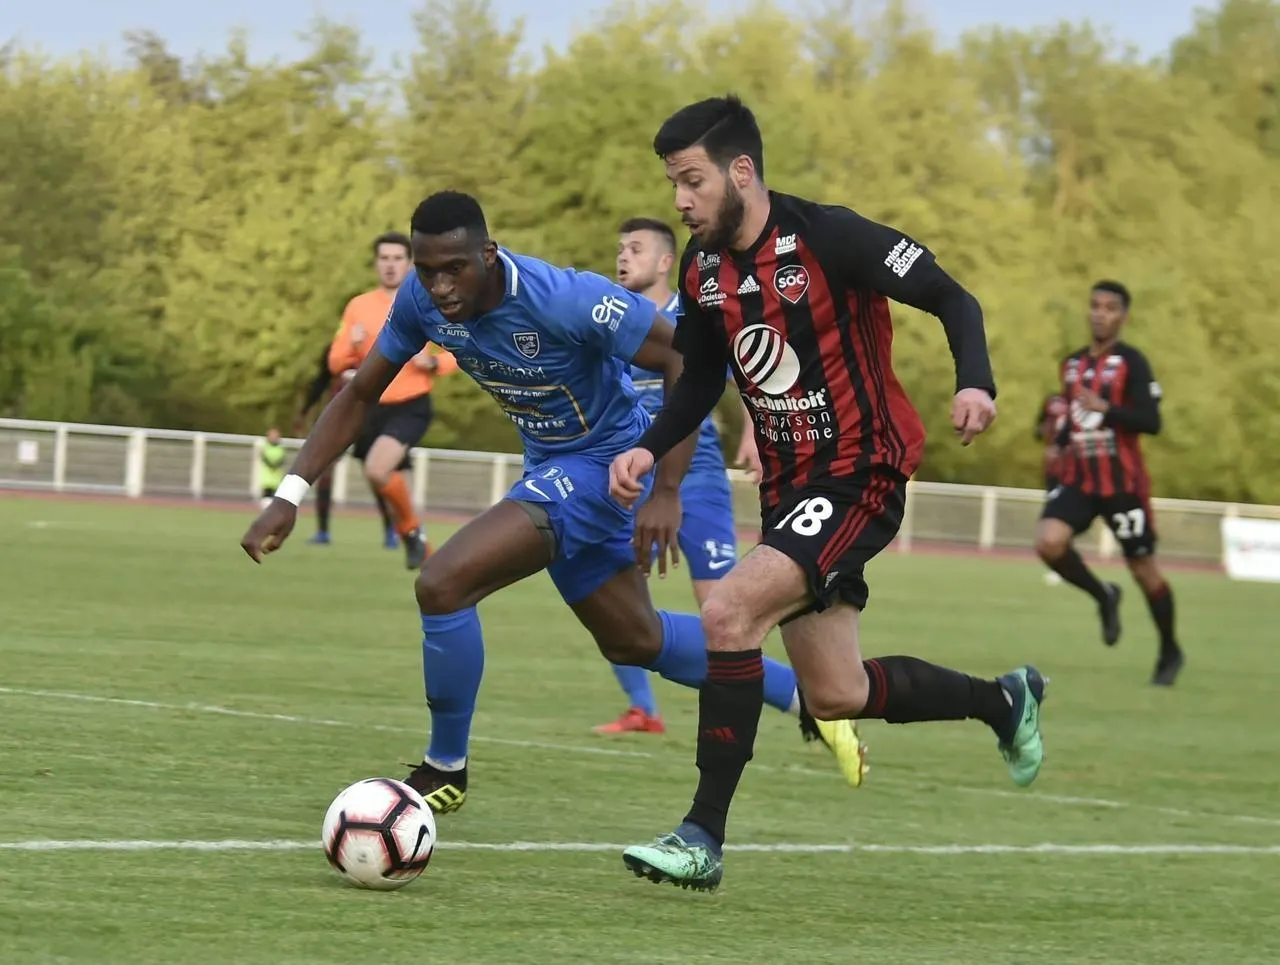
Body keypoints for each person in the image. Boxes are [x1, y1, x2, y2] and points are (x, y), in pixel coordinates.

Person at [240, 191, 865, 815]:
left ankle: (445, 769)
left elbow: (684, 353)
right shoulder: (419, 302)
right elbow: (357, 397)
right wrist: (289, 494)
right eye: (427, 271)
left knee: (442, 583)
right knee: (635, 640)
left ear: (488, 254)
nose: (440, 286)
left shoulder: (563, 298)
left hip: (607, 464)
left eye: (454, 268)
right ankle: (809, 697)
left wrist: (668, 488)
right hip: (550, 467)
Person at [608, 95, 1046, 892]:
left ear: (742, 171)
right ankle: (1003, 700)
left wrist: (975, 381)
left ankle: (702, 834)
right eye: (673, 183)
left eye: (693, 181)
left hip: (859, 471)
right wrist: (647, 445)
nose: (681, 200)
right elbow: (700, 378)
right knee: (835, 692)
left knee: (727, 611)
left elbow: (954, 297)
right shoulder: (704, 269)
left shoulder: (829, 237)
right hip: (788, 488)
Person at [594, 217, 761, 738]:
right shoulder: (608, 318)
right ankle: (643, 710)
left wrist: (754, 434)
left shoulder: (693, 317)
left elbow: (747, 373)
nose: (624, 257)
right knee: (611, 598)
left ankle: (743, 706)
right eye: (620, 248)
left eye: (636, 248)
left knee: (720, 607)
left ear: (666, 262)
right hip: (629, 473)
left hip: (696, 473)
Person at [1035, 281, 1183, 686]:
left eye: (1109, 308)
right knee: (1048, 542)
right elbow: (1073, 418)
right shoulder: (1071, 365)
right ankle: (1104, 595)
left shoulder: (1133, 363)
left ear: (1123, 316)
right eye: (1095, 305)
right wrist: (1057, 445)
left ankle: (1170, 650)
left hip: (1123, 486)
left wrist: (1107, 407)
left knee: (1144, 570)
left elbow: (1151, 422)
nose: (1100, 314)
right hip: (1079, 480)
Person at [328, 232, 459, 569]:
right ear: (376, 263)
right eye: (384, 258)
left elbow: (461, 351)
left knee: (378, 469)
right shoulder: (358, 306)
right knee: (387, 479)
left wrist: (433, 364)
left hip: (410, 403)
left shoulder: (429, 302)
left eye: (397, 258)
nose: (390, 265)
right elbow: (335, 361)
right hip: (370, 407)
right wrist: (351, 344)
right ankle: (420, 543)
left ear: (410, 263)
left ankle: (411, 533)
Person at [295, 345, 398, 548]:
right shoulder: (335, 349)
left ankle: (390, 531)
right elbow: (321, 381)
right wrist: (304, 411)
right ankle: (323, 531)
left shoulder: (376, 344)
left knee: (375, 474)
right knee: (324, 472)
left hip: (367, 421)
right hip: (339, 421)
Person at [1034, 391, 1069, 586]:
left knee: (1061, 520)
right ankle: (1059, 566)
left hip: (1074, 470)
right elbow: (1039, 430)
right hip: (1056, 470)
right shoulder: (1053, 401)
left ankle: (1061, 568)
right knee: (1057, 520)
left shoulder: (1082, 401)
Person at [257, 428, 287, 508]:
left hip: (277, 478)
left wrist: (275, 465)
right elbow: (264, 458)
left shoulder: (281, 448)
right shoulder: (265, 446)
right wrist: (272, 465)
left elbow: (282, 460)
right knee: (266, 498)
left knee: (276, 499)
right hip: (266, 478)